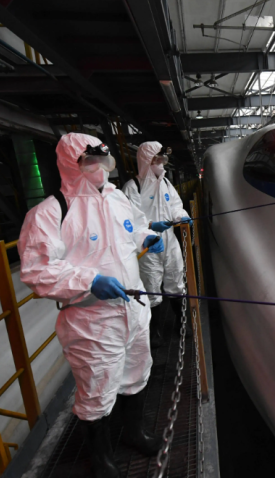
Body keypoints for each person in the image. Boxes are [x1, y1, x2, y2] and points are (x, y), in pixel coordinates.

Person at [18, 133, 168, 478]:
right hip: (91, 321)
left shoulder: (116, 199)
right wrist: (88, 281)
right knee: (96, 390)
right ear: (71, 165)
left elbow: (135, 229)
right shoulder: (51, 212)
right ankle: (101, 459)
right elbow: (37, 271)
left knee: (137, 372)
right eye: (90, 161)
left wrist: (148, 238)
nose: (99, 168)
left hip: (133, 307)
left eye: (103, 160)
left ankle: (134, 432)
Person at [122, 141, 192, 348]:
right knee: (151, 285)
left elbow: (175, 205)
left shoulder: (166, 184)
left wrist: (181, 216)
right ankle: (154, 331)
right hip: (147, 243)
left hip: (169, 239)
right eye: (158, 159)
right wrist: (151, 225)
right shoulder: (132, 187)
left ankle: (182, 322)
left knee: (175, 278)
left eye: (163, 159)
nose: (162, 163)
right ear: (147, 160)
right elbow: (129, 219)